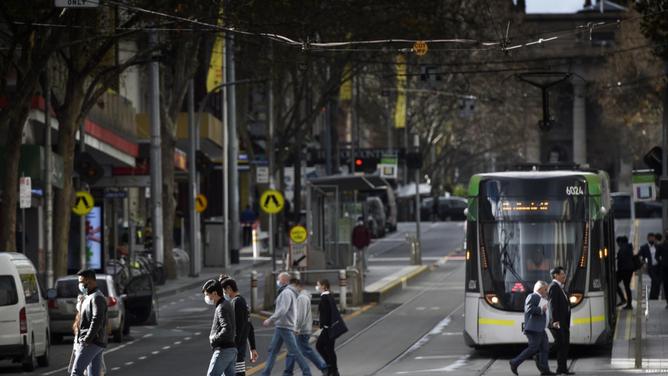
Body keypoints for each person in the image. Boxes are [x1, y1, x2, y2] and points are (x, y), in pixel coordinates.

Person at [261, 276, 312, 376]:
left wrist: (270, 319)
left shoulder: (287, 293)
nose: (278, 282)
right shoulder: (291, 293)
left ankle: (307, 372)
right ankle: (265, 373)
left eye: (280, 280)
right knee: (273, 351)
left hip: (284, 326)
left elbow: (283, 309)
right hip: (282, 326)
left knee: (295, 352)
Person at [509, 281, 555, 376]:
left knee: (544, 348)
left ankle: (545, 370)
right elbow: (529, 309)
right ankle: (514, 362)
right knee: (533, 348)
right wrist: (541, 309)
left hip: (541, 329)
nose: (547, 291)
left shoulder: (541, 298)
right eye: (545, 289)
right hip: (534, 329)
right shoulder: (533, 296)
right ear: (539, 289)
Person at [284, 279, 328, 376]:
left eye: (292, 287)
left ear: (297, 286)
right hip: (302, 330)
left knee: (304, 350)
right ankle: (288, 372)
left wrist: (296, 328)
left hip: (301, 331)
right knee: (294, 350)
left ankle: (323, 367)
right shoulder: (302, 296)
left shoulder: (302, 298)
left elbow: (300, 315)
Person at [70, 269, 108, 376]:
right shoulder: (89, 297)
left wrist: (87, 338)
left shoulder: (97, 297)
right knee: (93, 374)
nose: (80, 285)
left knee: (76, 372)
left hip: (92, 342)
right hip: (94, 341)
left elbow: (97, 320)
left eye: (81, 282)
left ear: (90, 281)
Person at [220, 278, 257, 376]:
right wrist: (252, 348)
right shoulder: (242, 301)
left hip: (236, 348)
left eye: (224, 291)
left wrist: (232, 347)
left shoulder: (236, 302)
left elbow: (238, 328)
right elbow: (249, 326)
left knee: (235, 373)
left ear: (229, 288)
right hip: (239, 348)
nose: (224, 294)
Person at [202, 279, 237, 376]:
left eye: (207, 294)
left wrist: (214, 339)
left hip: (223, 350)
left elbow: (227, 328)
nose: (206, 297)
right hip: (230, 349)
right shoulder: (225, 304)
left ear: (214, 293)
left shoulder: (221, 307)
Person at [316, 279, 346, 376]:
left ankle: (331, 368)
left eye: (318, 285)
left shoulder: (325, 297)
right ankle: (333, 370)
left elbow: (326, 313)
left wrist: (322, 325)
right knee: (329, 349)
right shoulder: (329, 295)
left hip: (328, 328)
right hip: (330, 327)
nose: (317, 287)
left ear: (324, 286)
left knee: (319, 346)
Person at [548, 266, 575, 375]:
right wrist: (555, 321)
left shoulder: (560, 287)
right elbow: (553, 306)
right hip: (558, 322)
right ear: (556, 275)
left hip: (564, 322)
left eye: (564, 274)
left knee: (564, 345)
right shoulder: (554, 287)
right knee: (560, 344)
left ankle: (562, 369)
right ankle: (540, 354)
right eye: (562, 274)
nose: (564, 276)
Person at [639, 233, 661, 299]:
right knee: (655, 281)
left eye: (653, 238)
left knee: (657, 282)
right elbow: (640, 256)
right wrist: (644, 263)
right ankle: (652, 297)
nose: (652, 239)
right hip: (650, 267)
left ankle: (654, 296)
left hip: (658, 267)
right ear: (648, 239)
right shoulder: (644, 247)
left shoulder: (658, 246)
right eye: (650, 238)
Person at [616, 236, 634, 309]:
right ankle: (628, 303)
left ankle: (625, 300)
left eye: (618, 243)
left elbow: (621, 261)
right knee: (627, 286)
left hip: (624, 270)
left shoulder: (623, 248)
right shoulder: (629, 247)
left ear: (620, 242)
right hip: (629, 270)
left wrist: (618, 271)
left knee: (615, 283)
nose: (618, 244)